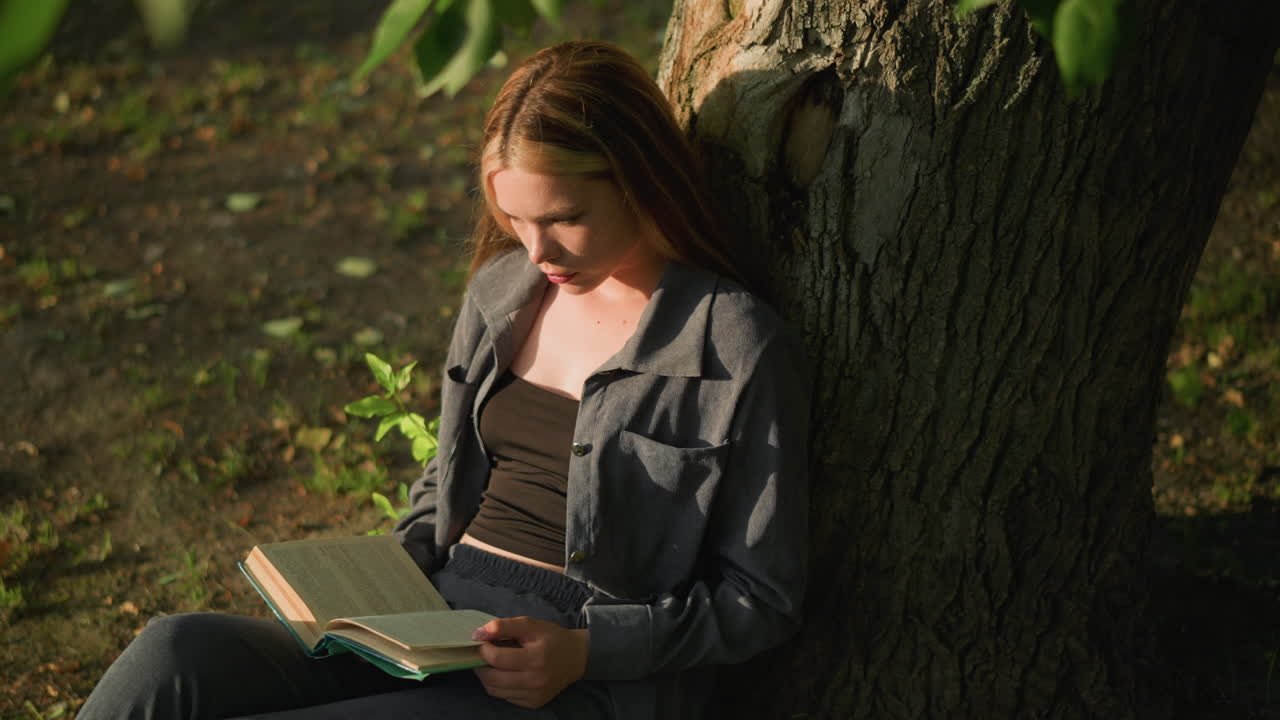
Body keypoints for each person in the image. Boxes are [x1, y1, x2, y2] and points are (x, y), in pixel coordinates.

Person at [77, 40, 809, 720]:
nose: (537, 248)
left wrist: (588, 651)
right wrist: (373, 581)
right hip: (428, 624)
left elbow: (762, 598)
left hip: (568, 676)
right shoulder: (503, 293)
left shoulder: (732, 342)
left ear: (641, 182)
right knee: (173, 654)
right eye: (515, 219)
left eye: (565, 218)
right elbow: (449, 479)